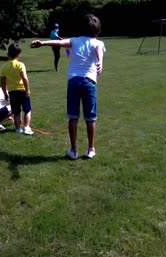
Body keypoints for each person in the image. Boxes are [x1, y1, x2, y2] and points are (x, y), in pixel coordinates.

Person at [31, 14, 105, 159]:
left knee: (73, 117)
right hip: (89, 82)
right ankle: (90, 149)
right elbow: (98, 51)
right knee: (90, 118)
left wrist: (43, 43)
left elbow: (58, 43)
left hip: (73, 81)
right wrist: (100, 62)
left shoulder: (75, 40)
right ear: (97, 30)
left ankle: (73, 151)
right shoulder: (98, 42)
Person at [0, 43, 34, 135]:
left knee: (16, 112)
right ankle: (26, 127)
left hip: (12, 92)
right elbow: (24, 78)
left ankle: (18, 129)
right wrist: (27, 90)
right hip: (22, 90)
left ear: (8, 54)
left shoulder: (4, 67)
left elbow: (2, 83)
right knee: (27, 110)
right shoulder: (20, 65)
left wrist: (5, 93)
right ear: (19, 54)